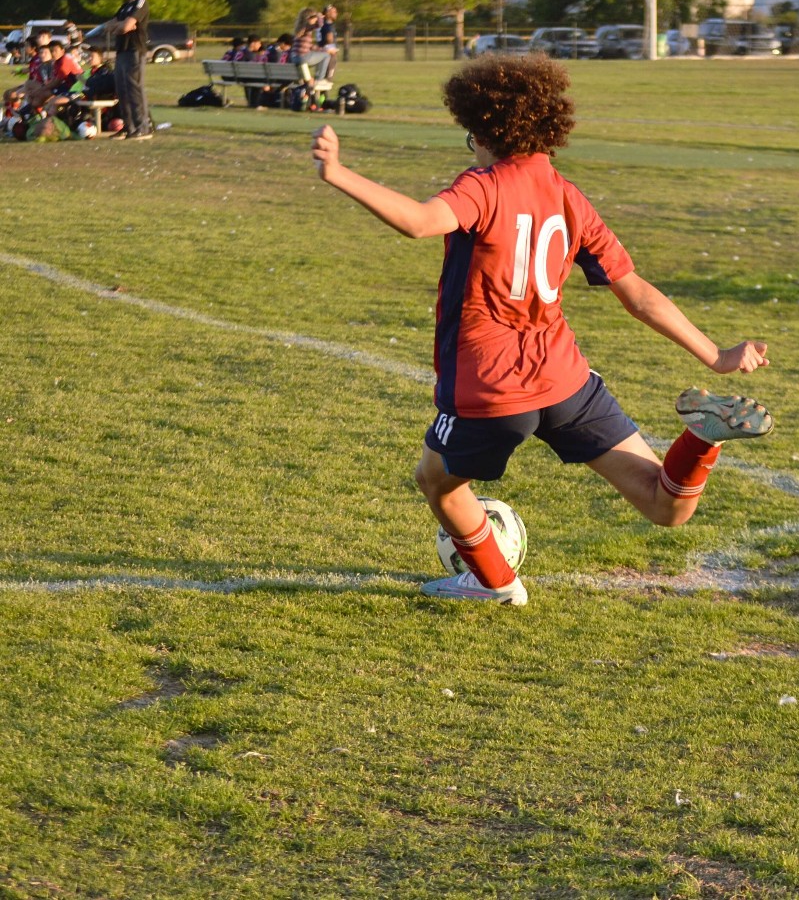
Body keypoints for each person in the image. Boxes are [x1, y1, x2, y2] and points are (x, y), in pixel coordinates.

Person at [309, 53, 774, 607]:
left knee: (436, 482)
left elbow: (418, 221)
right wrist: (716, 355)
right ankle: (700, 439)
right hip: (564, 380)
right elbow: (637, 292)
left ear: (484, 130)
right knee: (663, 506)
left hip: (491, 386)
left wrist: (338, 174)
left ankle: (497, 583)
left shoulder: (484, 185)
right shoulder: (568, 195)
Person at [102, 0, 152, 141]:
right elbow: (110, 25)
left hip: (134, 50)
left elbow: (126, 26)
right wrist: (120, 25)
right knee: (122, 90)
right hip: (121, 50)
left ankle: (142, 127)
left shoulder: (141, 3)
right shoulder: (125, 6)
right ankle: (129, 127)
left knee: (134, 89)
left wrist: (121, 26)